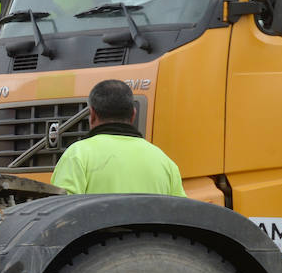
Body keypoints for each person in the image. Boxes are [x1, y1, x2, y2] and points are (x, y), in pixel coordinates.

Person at [51, 79, 186, 196]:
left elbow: (59, 214)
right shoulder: (165, 163)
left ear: (92, 115)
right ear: (133, 115)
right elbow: (181, 217)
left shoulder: (77, 155)